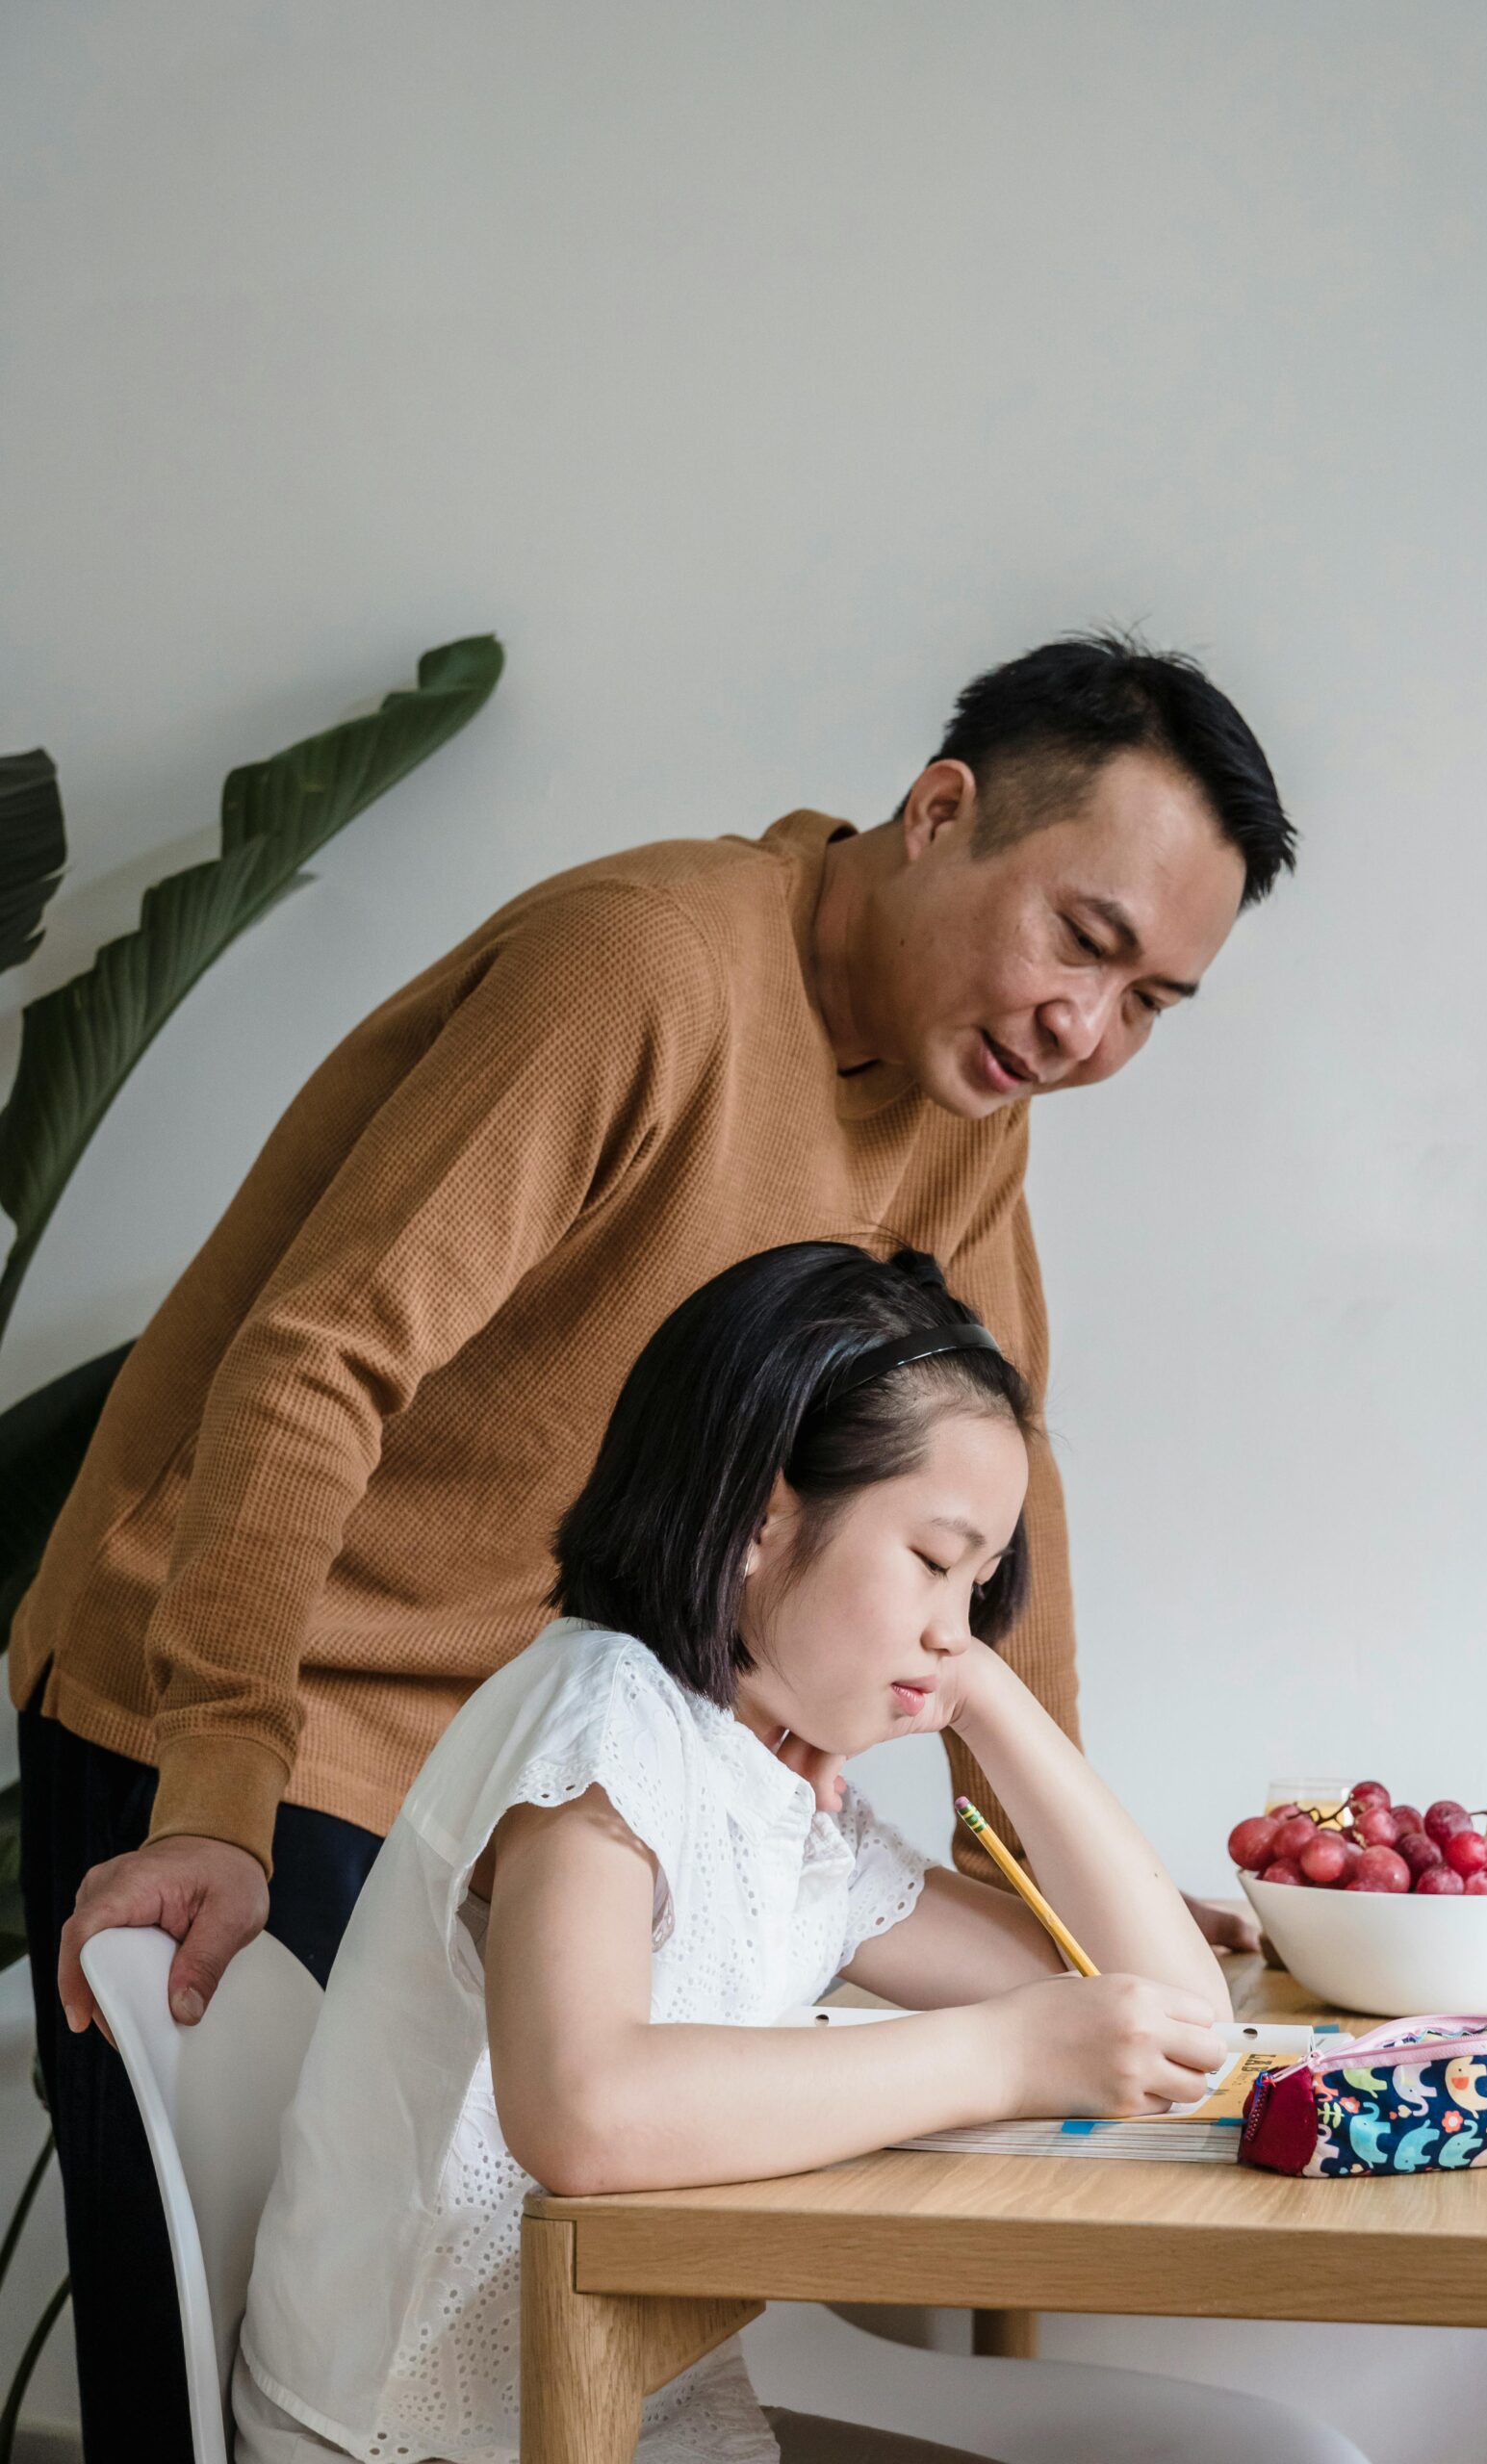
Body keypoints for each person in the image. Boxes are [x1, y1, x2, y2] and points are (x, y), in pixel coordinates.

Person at [14, 632, 1295, 2458]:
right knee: (233, 2350)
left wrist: (1046, 1879)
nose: (1091, 1031)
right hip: (271, 1679)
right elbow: (316, 1361)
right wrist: (220, 1772)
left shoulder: (964, 1102)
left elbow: (1007, 1509)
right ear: (939, 815)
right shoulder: (642, 967)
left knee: (526, 2280)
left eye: (1153, 998)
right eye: (1083, 944)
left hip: (552, 1723)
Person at [232, 1243, 1365, 2464]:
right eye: (933, 1562)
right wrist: (1003, 2053)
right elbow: (583, 2110)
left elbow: (1179, 2017)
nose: (954, 1623)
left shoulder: (779, 1793)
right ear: (764, 1518)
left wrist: (986, 1688)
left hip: (617, 2403)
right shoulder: (604, 1711)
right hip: (442, 2436)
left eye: (982, 1585)